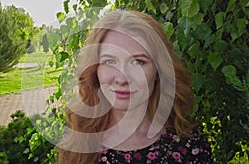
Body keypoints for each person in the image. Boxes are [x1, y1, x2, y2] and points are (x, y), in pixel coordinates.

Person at [58, 10, 213, 164]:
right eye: (110, 62)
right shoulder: (76, 143)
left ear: (159, 70)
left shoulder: (192, 149)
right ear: (94, 70)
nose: (122, 79)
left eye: (138, 62)